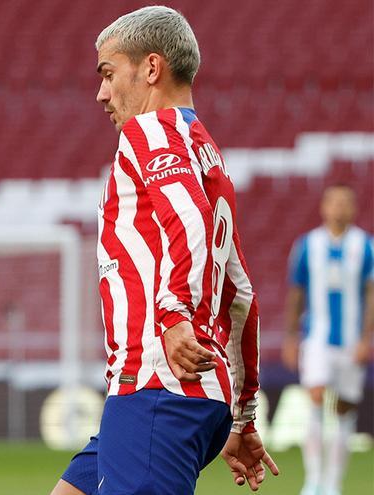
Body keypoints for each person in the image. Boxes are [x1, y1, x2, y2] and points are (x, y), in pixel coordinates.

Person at [50, 7, 279, 495]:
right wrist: (243, 413)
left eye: (109, 74)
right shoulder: (204, 152)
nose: (101, 93)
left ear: (151, 69)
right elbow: (241, 296)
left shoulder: (152, 131)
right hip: (185, 393)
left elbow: (190, 224)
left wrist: (174, 314)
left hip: (158, 388)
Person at [282, 184, 373, 495]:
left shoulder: (366, 246)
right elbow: (296, 293)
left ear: (354, 208)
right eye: (334, 202)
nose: (340, 208)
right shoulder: (308, 245)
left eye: (346, 202)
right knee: (316, 398)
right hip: (316, 338)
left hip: (350, 341)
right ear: (324, 207)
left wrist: (366, 338)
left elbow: (371, 294)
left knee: (344, 409)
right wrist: (291, 337)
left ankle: (333, 482)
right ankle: (313, 480)